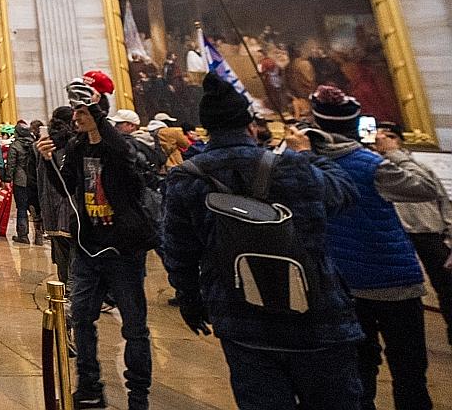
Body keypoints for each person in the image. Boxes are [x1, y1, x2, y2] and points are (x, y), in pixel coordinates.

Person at [162, 73, 364, 410]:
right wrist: (307, 154)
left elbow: (179, 252)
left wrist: (190, 300)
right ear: (250, 126)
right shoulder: (292, 167)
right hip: (317, 316)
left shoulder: (186, 177)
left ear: (207, 130)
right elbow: (344, 194)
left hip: (240, 315)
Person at [308, 86, 440, 410]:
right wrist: (394, 151)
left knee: (359, 371)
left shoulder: (310, 166)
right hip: (393, 281)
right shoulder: (370, 164)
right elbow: (427, 187)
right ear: (354, 126)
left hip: (345, 282)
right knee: (409, 372)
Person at [38, 72, 156, 410]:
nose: (75, 118)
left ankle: (139, 396)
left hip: (123, 249)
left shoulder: (119, 146)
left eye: (82, 113)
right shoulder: (76, 148)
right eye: (75, 114)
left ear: (98, 114)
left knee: (134, 327)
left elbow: (120, 155)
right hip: (89, 246)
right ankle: (90, 384)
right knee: (82, 318)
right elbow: (64, 188)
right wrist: (48, 162)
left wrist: (96, 110)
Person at [375, 121, 452, 347]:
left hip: (430, 233)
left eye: (389, 135)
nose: (384, 140)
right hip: (397, 235)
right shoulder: (376, 169)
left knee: (447, 287)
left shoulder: (418, 167)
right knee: (403, 290)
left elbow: (444, 202)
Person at [37, 106, 77, 287]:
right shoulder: (74, 143)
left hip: (48, 202)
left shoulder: (42, 144)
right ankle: (73, 285)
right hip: (71, 201)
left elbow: (36, 177)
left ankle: (65, 282)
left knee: (60, 246)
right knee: (75, 246)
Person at [4, 118, 40, 243]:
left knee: (22, 208)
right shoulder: (35, 144)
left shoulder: (15, 146)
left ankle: (23, 235)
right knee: (36, 208)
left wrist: (7, 179)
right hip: (34, 181)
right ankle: (39, 237)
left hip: (20, 181)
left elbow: (11, 165)